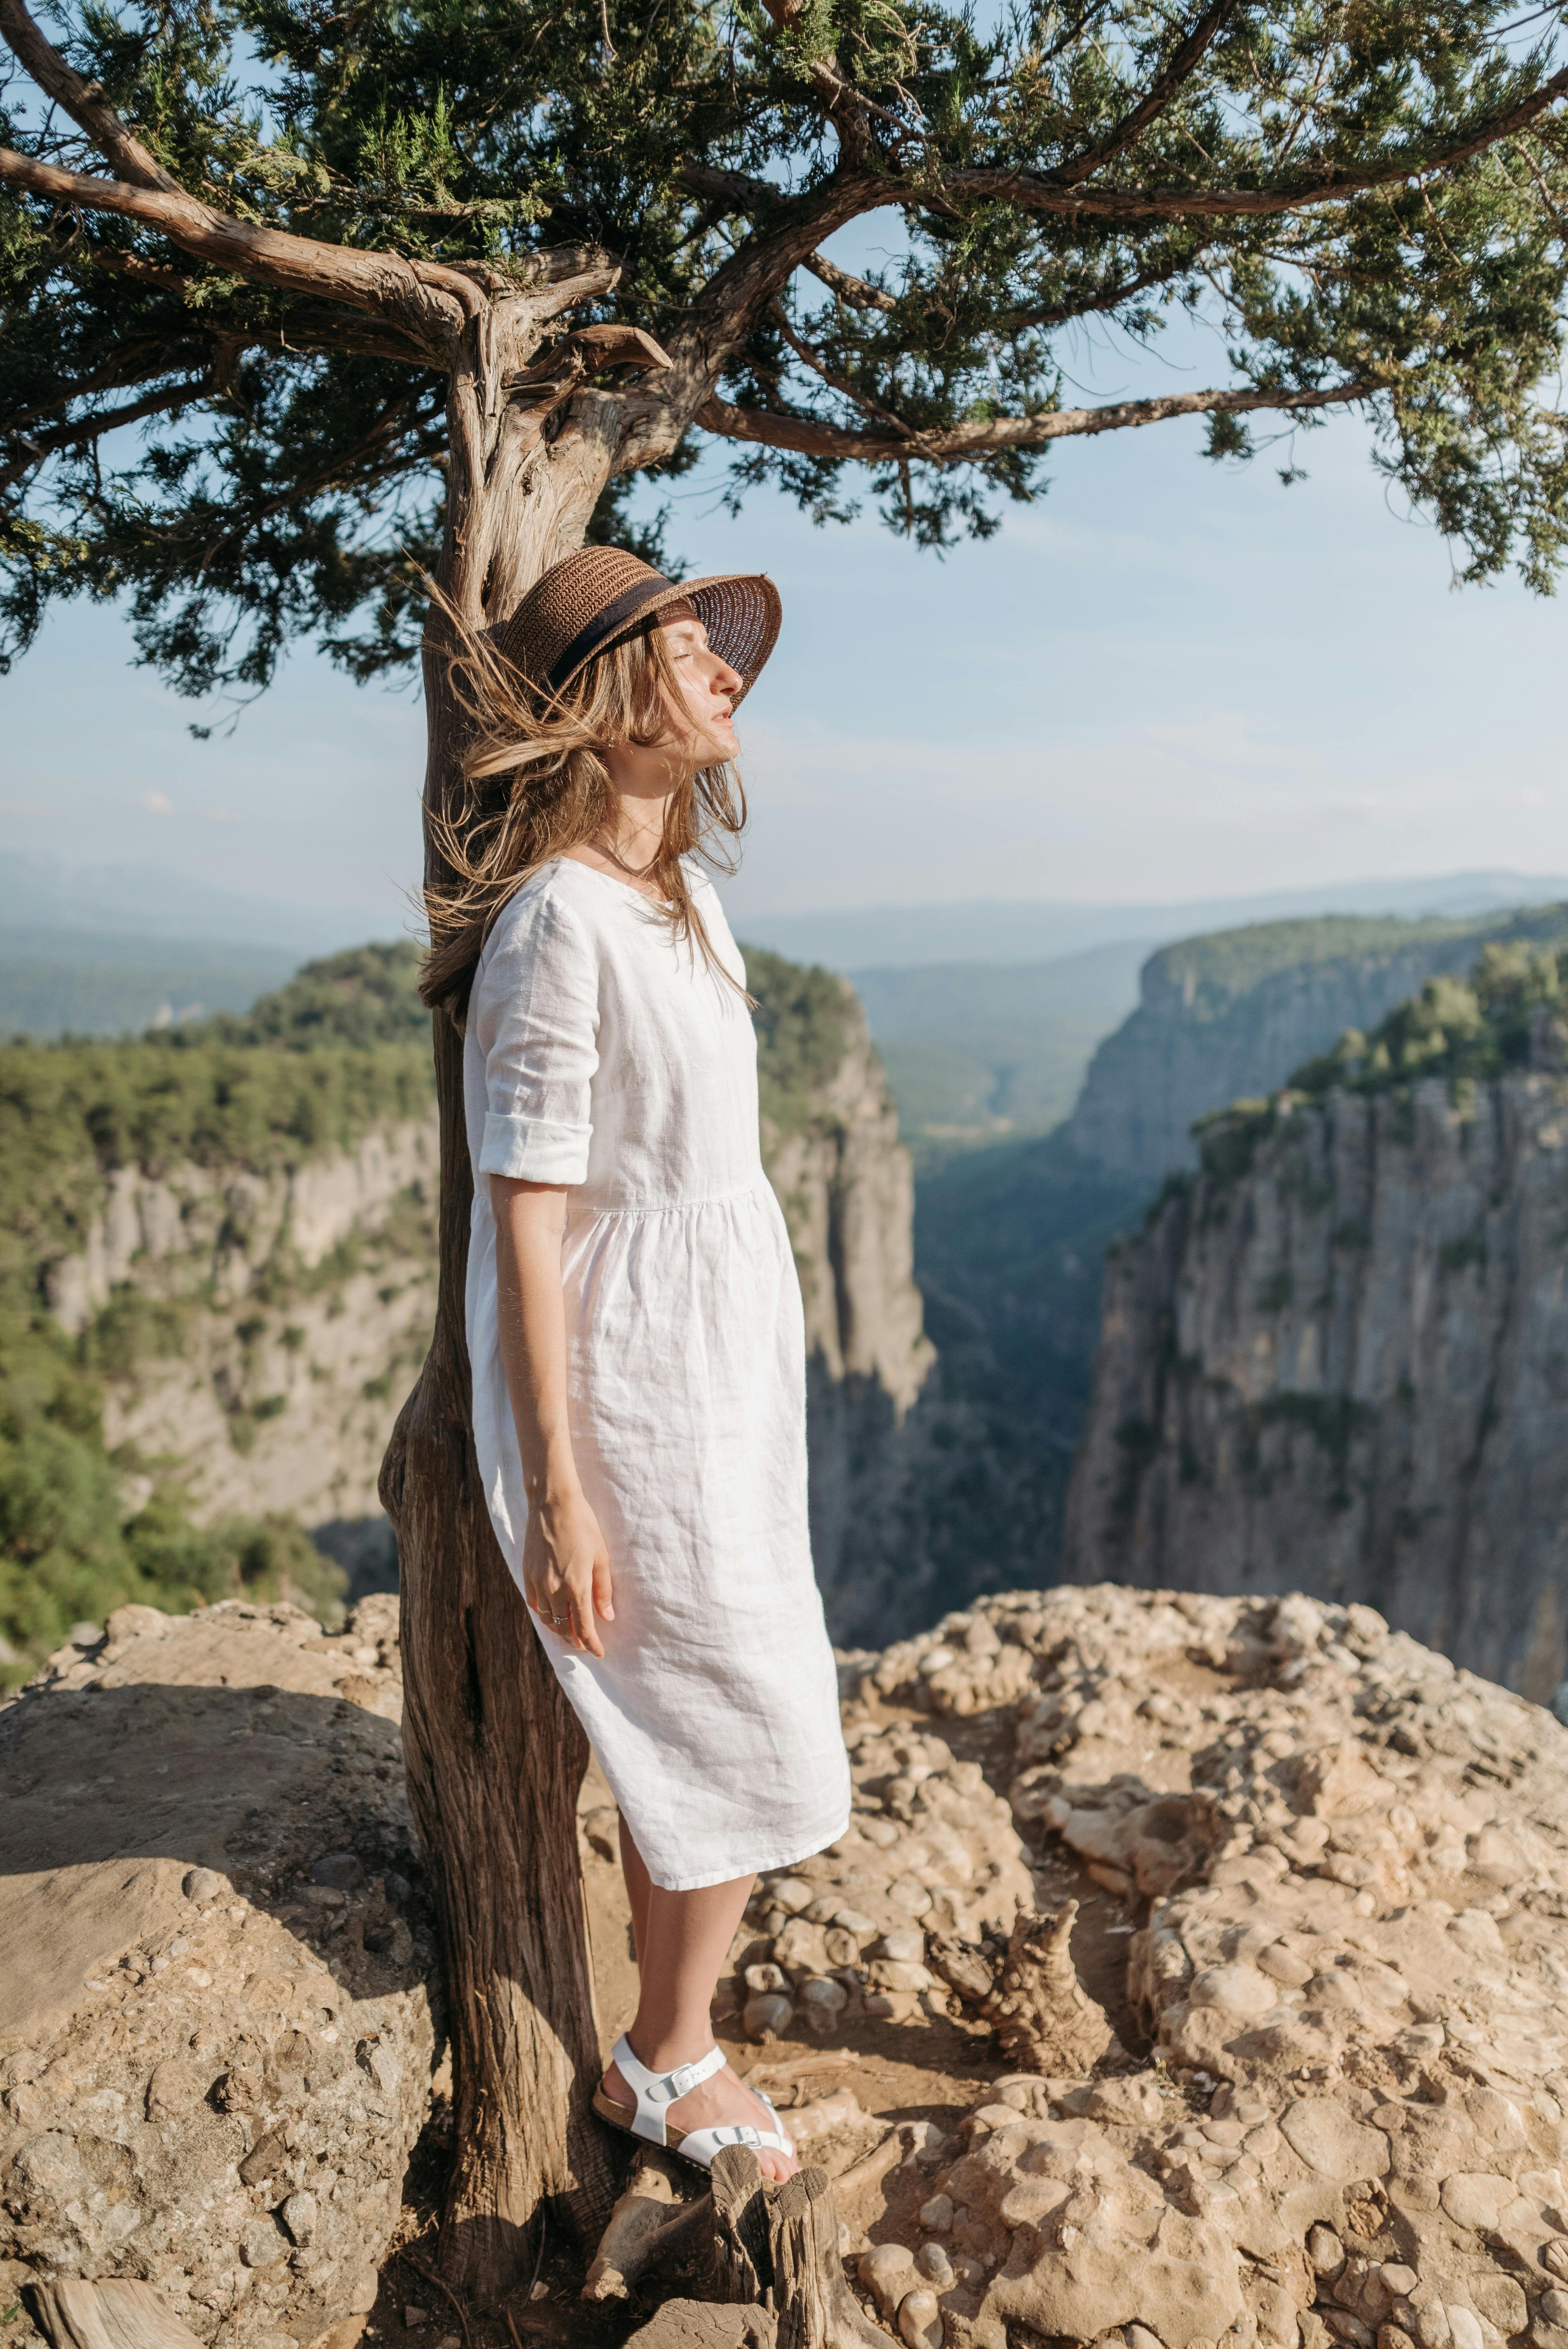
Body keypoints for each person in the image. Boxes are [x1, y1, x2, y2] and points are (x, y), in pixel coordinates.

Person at [421, 546, 852, 2182]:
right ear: (610, 701)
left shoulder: (688, 899)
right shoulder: (554, 928)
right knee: (747, 1704)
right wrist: (562, 1491)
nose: (725, 671)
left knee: (720, 1692)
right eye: (688, 647)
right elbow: (523, 1221)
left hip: (712, 1359)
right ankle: (666, 2057)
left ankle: (664, 2039)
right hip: (622, 1381)